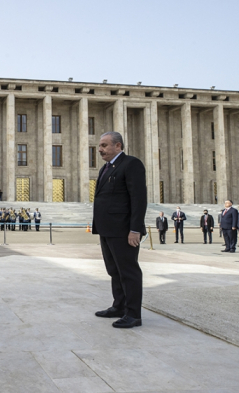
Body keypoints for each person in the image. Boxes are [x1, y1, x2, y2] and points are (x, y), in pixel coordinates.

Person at [92, 131, 147, 329]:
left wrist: (135, 229)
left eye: (104, 145)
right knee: (114, 270)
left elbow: (138, 199)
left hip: (124, 230)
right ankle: (119, 306)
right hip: (108, 229)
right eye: (100, 145)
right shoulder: (106, 168)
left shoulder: (131, 164)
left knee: (128, 272)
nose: (100, 149)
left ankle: (133, 315)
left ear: (118, 146)